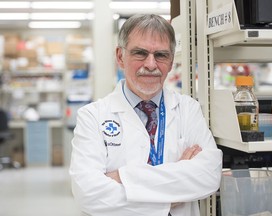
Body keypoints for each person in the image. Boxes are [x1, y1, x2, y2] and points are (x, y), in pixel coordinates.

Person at [69, 14, 222, 216]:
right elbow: (88, 195)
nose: (151, 64)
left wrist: (122, 177)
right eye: (140, 53)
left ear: (171, 60)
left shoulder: (188, 109)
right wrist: (168, 198)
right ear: (120, 57)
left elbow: (208, 175)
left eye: (161, 55)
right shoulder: (92, 116)